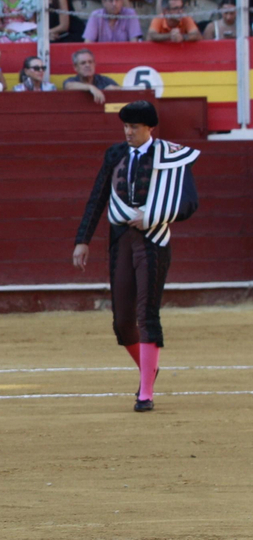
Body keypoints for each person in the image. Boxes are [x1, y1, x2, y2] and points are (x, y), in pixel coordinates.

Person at [73, 102, 199, 412]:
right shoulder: (115, 154)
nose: (128, 132)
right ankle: (148, 369)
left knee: (147, 313)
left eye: (135, 127)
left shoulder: (171, 156)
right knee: (122, 322)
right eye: (126, 126)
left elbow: (189, 204)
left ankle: (146, 393)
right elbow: (98, 197)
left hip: (153, 241)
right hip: (121, 241)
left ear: (150, 129)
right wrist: (82, 240)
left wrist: (154, 215)